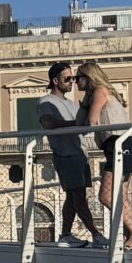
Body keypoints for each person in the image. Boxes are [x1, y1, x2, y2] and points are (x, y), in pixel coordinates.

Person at [77, 60, 132, 249]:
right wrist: (84, 103)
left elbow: (90, 122)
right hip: (120, 146)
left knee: (106, 196)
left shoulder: (100, 91)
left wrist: (88, 109)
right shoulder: (94, 94)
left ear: (88, 77)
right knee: (120, 196)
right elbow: (79, 123)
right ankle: (130, 235)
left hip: (120, 145)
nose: (75, 82)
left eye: (78, 78)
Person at [38, 63, 102, 247]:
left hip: (81, 155)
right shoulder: (46, 102)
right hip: (65, 155)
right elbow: (49, 124)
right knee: (78, 196)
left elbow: (85, 123)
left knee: (73, 197)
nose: (72, 82)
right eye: (67, 78)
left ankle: (65, 234)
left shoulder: (72, 104)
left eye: (73, 78)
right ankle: (95, 234)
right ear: (55, 80)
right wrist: (75, 124)